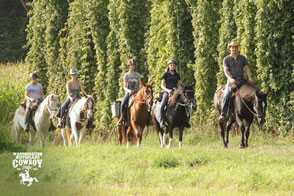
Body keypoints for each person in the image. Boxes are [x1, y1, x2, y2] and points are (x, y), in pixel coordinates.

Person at [219, 41, 253, 122]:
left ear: (237, 48)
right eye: (232, 47)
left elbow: (247, 68)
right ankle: (223, 113)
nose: (234, 49)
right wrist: (230, 78)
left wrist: (250, 78)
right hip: (232, 81)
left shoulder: (242, 58)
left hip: (241, 80)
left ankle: (253, 111)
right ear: (229, 48)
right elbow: (226, 71)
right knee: (227, 93)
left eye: (235, 47)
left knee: (252, 91)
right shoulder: (226, 59)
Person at [117, 59, 143, 126]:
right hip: (129, 93)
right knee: (123, 103)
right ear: (129, 66)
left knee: (145, 102)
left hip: (137, 93)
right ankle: (122, 118)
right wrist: (129, 91)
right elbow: (124, 86)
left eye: (133, 65)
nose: (133, 67)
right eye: (131, 65)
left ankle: (148, 118)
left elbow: (140, 84)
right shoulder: (126, 75)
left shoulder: (138, 75)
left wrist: (139, 89)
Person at [159, 59, 182, 128]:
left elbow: (179, 85)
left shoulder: (177, 75)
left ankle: (186, 120)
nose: (172, 66)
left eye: (173, 65)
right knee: (163, 104)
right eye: (171, 65)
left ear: (175, 67)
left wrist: (180, 90)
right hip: (167, 91)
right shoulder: (165, 74)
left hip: (176, 91)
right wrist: (167, 90)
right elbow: (162, 85)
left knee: (184, 101)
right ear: (168, 66)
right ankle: (161, 120)